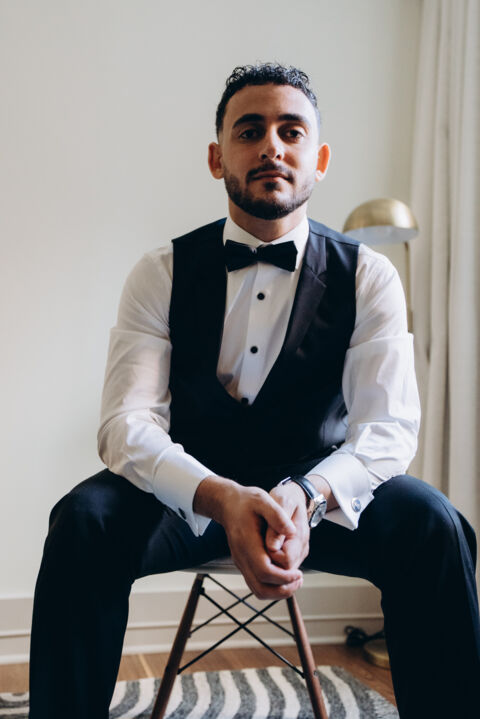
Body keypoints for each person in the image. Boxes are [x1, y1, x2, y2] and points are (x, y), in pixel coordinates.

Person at [29, 63, 480, 719]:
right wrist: (221, 497)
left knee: (434, 524)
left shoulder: (370, 276)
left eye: (291, 131)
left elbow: (386, 429)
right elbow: (126, 425)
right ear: (218, 158)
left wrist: (307, 495)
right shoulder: (160, 272)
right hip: (190, 496)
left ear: (318, 159)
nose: (272, 145)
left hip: (317, 499)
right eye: (250, 130)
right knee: (83, 521)